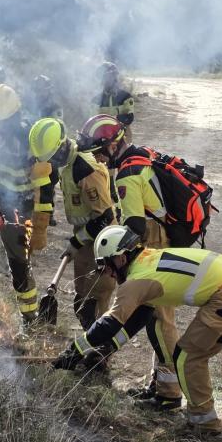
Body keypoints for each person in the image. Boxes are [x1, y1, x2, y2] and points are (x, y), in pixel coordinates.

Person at [52, 225, 222, 433]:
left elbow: (110, 322)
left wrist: (74, 351)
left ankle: (204, 425)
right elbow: (140, 317)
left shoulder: (135, 281)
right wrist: (109, 347)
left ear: (121, 258)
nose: (108, 273)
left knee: (187, 356)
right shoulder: (150, 258)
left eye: (107, 265)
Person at [78, 114, 181, 410]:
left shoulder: (126, 174)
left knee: (160, 322)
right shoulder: (141, 155)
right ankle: (159, 385)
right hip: (162, 237)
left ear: (111, 145)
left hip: (155, 242)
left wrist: (117, 259)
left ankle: (170, 395)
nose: (97, 158)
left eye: (98, 151)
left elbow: (134, 226)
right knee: (155, 319)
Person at [28, 117, 115, 328]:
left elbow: (104, 217)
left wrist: (76, 242)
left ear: (60, 148)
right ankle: (88, 339)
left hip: (104, 238)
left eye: (51, 158)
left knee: (94, 304)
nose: (50, 163)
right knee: (81, 298)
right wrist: (78, 240)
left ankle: (100, 347)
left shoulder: (86, 169)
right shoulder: (67, 163)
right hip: (85, 233)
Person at [0, 84, 56, 324]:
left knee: (18, 262)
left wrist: (40, 226)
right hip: (0, 194)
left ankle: (29, 316)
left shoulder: (29, 138)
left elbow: (44, 187)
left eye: (1, 122)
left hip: (23, 205)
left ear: (13, 116)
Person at [96, 62, 134, 142]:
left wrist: (112, 119)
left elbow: (129, 118)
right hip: (103, 138)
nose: (107, 81)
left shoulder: (126, 96)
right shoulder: (96, 100)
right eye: (104, 78)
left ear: (115, 78)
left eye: (111, 77)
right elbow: (92, 121)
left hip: (123, 137)